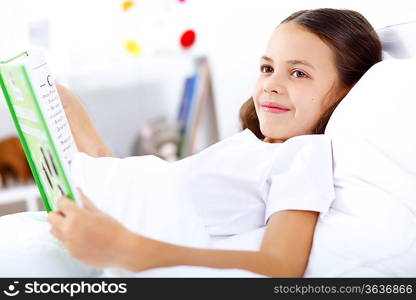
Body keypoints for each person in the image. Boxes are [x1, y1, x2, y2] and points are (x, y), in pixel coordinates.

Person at [3, 8, 382, 278]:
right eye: (267, 67)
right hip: (100, 215)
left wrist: (130, 251)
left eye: (298, 73)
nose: (271, 83)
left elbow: (282, 265)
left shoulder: (304, 153)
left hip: (116, 241)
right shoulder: (254, 148)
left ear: (346, 93)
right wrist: (70, 113)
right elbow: (135, 184)